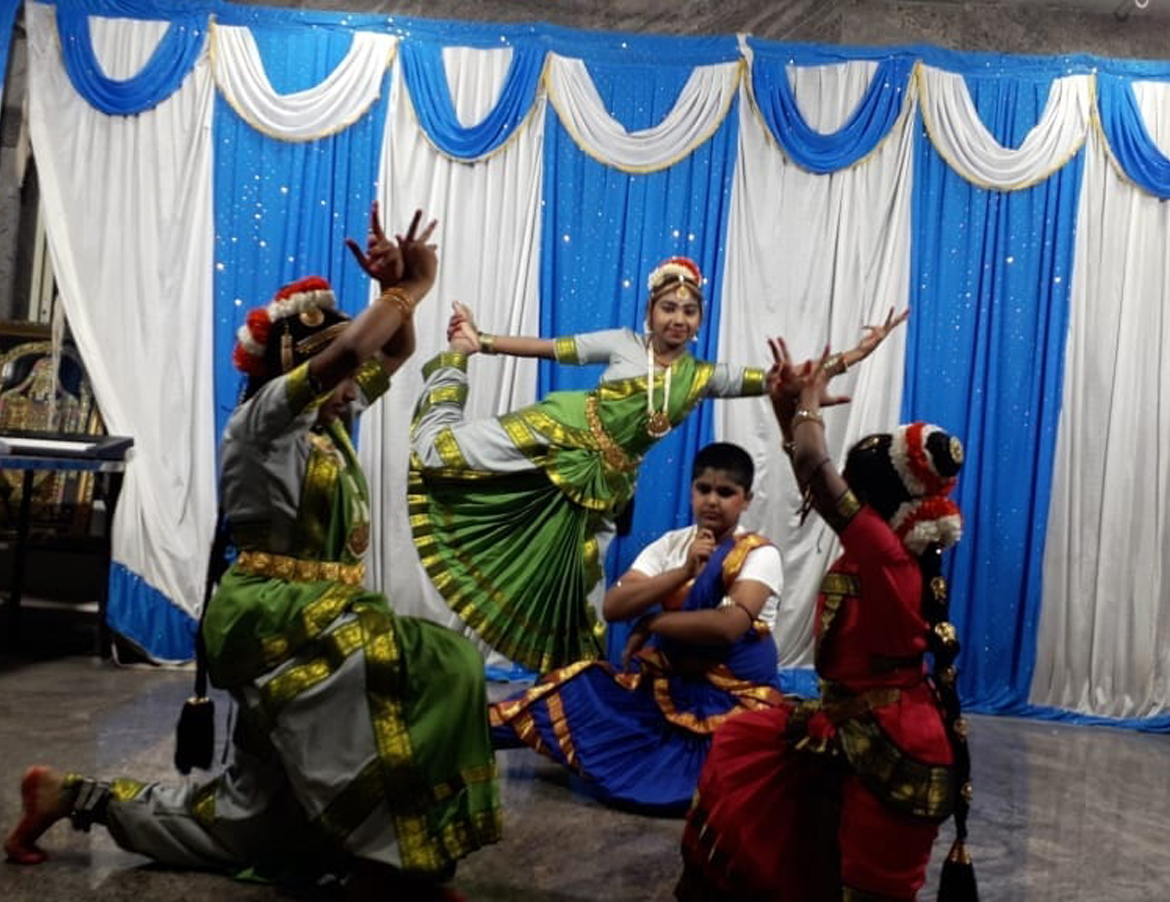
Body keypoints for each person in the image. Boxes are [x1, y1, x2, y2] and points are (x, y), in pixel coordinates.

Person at [5, 206, 501, 901]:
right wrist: (410, 287)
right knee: (437, 664)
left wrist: (400, 298)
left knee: (252, 826)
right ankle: (390, 866)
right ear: (303, 370)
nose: (355, 386)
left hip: (309, 615)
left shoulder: (329, 422)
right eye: (339, 371)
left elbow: (390, 354)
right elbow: (351, 357)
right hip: (275, 618)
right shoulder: (265, 418)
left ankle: (71, 796)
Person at [409, 254, 907, 673]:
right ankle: (453, 363)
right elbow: (550, 350)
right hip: (560, 433)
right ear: (650, 313)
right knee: (440, 452)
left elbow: (786, 378)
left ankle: (577, 677)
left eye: (689, 310)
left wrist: (852, 356)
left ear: (700, 320)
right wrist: (480, 341)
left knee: (581, 584)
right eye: (668, 307)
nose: (678, 318)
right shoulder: (623, 343)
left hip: (605, 482)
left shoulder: (703, 376)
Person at [675, 337, 973, 901]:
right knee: (745, 748)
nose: (839, 496)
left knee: (871, 887)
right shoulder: (879, 548)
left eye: (851, 489)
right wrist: (784, 407)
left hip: (892, 743)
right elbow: (809, 472)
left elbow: (814, 466)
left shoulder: (884, 555)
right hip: (853, 717)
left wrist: (807, 398)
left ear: (871, 501)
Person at [489, 441, 785, 814]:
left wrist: (654, 621)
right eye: (704, 489)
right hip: (671, 688)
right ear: (691, 491)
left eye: (726, 492)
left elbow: (730, 626)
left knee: (721, 778)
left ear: (746, 500)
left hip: (734, 702)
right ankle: (476, 730)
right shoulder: (672, 546)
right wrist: (683, 571)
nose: (712, 500)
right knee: (578, 685)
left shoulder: (759, 554)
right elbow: (615, 606)